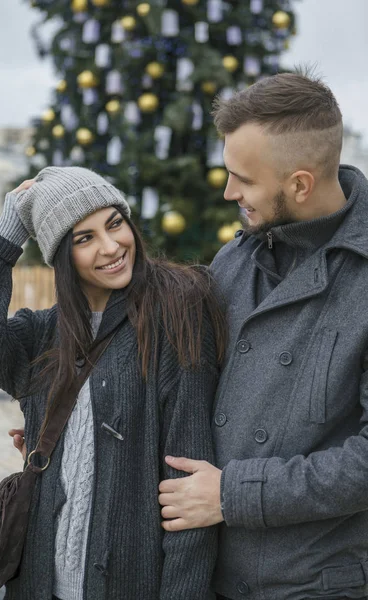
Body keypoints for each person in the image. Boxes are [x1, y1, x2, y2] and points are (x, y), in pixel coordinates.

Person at [0, 166, 226, 600]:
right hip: (39, 584)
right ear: (60, 257)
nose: (111, 247)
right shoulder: (43, 335)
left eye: (114, 223)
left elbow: (186, 493)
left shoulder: (177, 314)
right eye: (83, 239)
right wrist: (8, 229)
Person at [158, 70, 368, 600]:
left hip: (319, 584)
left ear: (299, 183)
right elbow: (172, 372)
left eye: (243, 179)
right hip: (210, 576)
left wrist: (232, 494)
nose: (229, 192)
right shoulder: (234, 259)